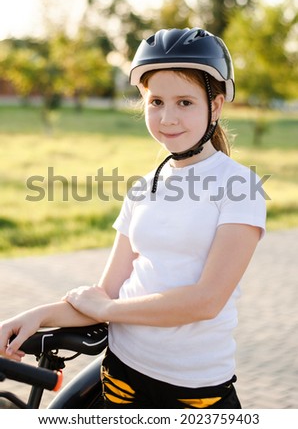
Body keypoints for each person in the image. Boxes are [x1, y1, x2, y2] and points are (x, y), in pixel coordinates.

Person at [0, 28, 266, 409]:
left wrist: (108, 312)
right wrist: (32, 317)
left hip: (195, 395)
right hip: (120, 378)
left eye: (185, 102)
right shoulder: (143, 188)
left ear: (217, 105)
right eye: (156, 101)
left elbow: (205, 301)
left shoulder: (240, 185)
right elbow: (105, 292)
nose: (167, 117)